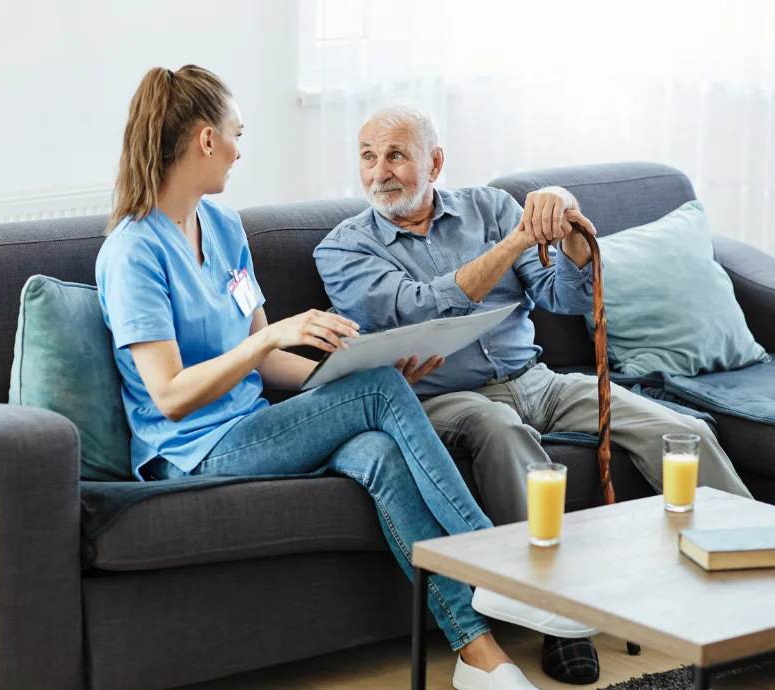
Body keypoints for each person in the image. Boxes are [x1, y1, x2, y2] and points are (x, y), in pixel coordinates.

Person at [96, 66, 540, 690]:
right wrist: (274, 339)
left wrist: (357, 371)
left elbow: (272, 361)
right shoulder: (132, 251)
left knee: (379, 445)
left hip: (252, 424)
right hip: (191, 450)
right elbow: (169, 396)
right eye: (235, 134)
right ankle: (499, 567)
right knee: (379, 393)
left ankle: (478, 655)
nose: (239, 149)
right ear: (204, 140)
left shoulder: (223, 227)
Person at [313, 104, 755, 685]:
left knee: (683, 432)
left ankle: (756, 589)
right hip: (445, 396)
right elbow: (418, 305)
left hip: (536, 378)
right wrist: (514, 241)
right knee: (505, 434)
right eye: (368, 157)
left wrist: (570, 232)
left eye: (395, 155)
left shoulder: (490, 209)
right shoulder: (342, 248)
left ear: (435, 161)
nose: (379, 173)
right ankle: (559, 621)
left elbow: (565, 296)